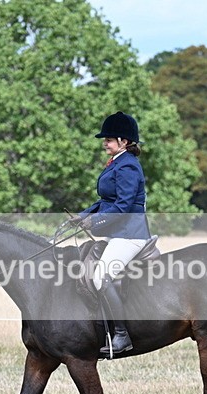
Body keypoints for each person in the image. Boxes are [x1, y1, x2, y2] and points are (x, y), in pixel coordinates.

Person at [71, 111, 151, 355]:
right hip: (118, 232)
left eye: (108, 139)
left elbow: (124, 206)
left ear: (123, 142)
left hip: (130, 234)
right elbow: (107, 199)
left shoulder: (127, 166)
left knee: (100, 276)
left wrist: (95, 224)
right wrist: (83, 215)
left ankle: (121, 335)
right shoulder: (118, 163)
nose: (104, 142)